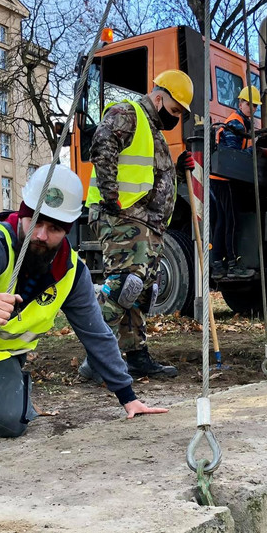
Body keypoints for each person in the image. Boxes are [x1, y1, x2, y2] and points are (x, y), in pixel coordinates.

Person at [0, 164, 167, 462]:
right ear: (24, 212)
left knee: (10, 423)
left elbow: (96, 334)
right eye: (36, 221)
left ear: (67, 230)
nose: (41, 234)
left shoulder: (71, 272)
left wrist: (127, 397)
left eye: (54, 228)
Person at [79, 69, 195, 383]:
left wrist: (176, 164)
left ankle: (136, 355)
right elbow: (103, 147)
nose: (176, 118)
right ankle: (96, 356)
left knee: (142, 291)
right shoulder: (128, 113)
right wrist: (111, 196)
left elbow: (148, 170)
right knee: (125, 282)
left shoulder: (154, 131)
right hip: (123, 217)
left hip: (148, 224)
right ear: (159, 97)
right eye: (174, 110)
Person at [210, 85, 261, 280]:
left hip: (222, 179)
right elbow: (233, 156)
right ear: (240, 103)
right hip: (225, 179)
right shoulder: (236, 124)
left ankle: (217, 265)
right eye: (250, 104)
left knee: (223, 221)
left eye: (255, 106)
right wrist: (253, 151)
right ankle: (231, 265)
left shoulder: (242, 123)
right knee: (230, 221)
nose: (253, 108)